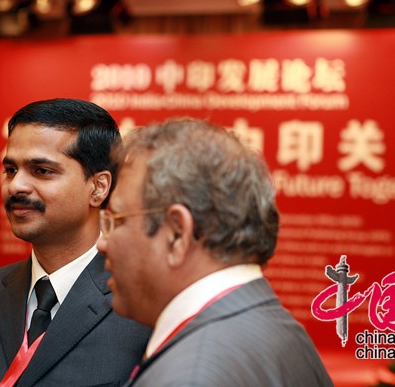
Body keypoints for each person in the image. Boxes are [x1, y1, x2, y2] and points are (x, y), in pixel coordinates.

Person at [97, 118, 333, 386]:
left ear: (177, 234)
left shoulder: (191, 374)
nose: (102, 244)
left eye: (117, 220)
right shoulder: (281, 329)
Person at [0, 98, 151, 387]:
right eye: (10, 169)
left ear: (98, 187)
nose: (16, 186)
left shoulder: (143, 307)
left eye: (42, 171)